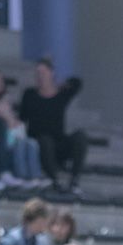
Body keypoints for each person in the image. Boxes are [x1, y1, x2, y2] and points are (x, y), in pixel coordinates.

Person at [19, 58, 87, 193]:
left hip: (58, 142)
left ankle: (74, 180)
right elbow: (22, 117)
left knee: (80, 136)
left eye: (44, 72)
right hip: (39, 143)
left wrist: (64, 84)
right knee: (45, 140)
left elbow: (78, 83)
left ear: (52, 73)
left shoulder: (60, 95)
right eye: (38, 73)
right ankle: (55, 180)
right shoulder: (30, 94)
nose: (41, 76)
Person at [0, 69, 42, 183]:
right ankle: (22, 177)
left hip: (12, 140)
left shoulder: (7, 104)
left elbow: (19, 131)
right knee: (19, 143)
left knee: (31, 143)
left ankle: (35, 178)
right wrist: (8, 119)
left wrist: (9, 118)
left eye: (0, 80)